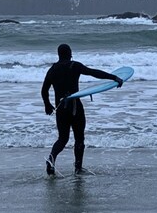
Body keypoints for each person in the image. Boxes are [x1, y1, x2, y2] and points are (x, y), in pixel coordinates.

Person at [41, 43, 123, 175]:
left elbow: (44, 90)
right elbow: (93, 73)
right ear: (70, 53)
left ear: (59, 54)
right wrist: (114, 77)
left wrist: (47, 105)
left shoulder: (52, 69)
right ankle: (78, 168)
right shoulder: (74, 66)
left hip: (61, 108)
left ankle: (51, 159)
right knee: (79, 139)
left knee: (62, 139)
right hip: (75, 107)